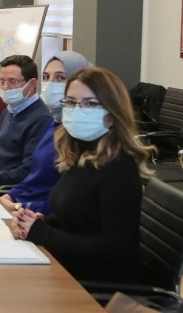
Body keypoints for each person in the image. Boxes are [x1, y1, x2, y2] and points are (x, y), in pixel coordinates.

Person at [12, 67, 153, 285]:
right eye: (70, 102)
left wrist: (44, 233)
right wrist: (39, 221)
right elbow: (78, 219)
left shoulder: (120, 167)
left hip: (100, 284)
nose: (77, 110)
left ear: (112, 112)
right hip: (69, 267)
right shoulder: (80, 154)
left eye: (90, 103)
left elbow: (114, 248)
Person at [0, 51, 93, 214]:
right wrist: (9, 196)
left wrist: (18, 207)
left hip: (38, 215)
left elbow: (63, 200)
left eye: (60, 77)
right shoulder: (54, 123)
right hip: (23, 208)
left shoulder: (82, 135)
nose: (50, 84)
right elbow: (35, 176)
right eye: (46, 77)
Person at [0, 55, 52, 190]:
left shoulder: (41, 119)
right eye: (2, 81)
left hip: (0, 189)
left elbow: (27, 171)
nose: (5, 87)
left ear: (32, 84)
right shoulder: (10, 109)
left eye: (13, 81)